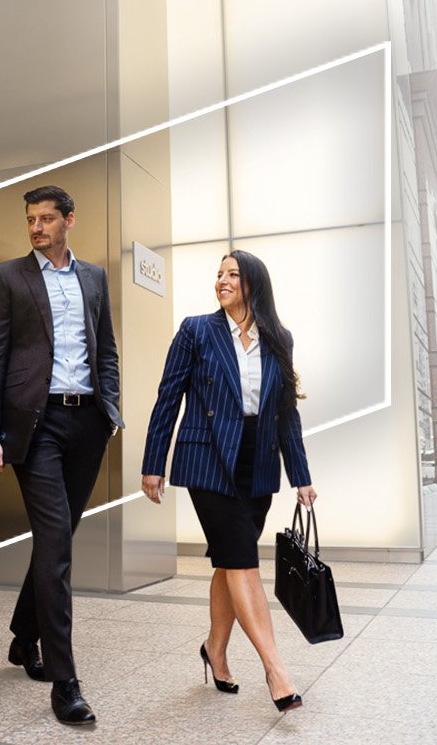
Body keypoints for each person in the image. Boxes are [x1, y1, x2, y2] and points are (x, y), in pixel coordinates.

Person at [140, 250, 314, 714]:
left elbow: (285, 411)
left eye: (232, 274)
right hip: (208, 458)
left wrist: (301, 475)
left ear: (254, 282)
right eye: (219, 274)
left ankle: (214, 649)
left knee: (228, 562)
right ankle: (276, 668)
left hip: (257, 460)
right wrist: (153, 460)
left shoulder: (279, 338)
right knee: (242, 562)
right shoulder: (197, 329)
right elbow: (167, 397)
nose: (222, 281)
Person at [0, 185, 122, 726]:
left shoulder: (95, 278)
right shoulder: (8, 276)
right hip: (34, 427)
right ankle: (66, 681)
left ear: (69, 221)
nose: (36, 228)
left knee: (57, 538)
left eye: (46, 219)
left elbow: (105, 348)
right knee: (57, 542)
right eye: (31, 220)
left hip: (87, 421)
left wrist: (110, 410)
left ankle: (22, 637)